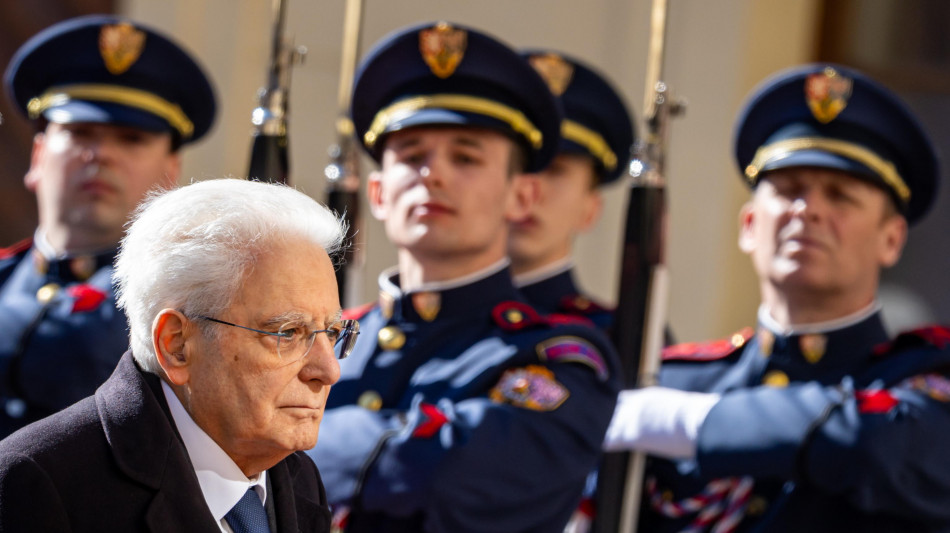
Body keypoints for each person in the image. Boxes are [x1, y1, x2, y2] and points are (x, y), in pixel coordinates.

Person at [603, 63, 950, 532]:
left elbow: (883, 447)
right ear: (749, 226)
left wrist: (699, 423)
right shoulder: (676, 380)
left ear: (892, 239)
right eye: (789, 190)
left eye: (840, 196)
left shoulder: (922, 381)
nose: (807, 210)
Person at [306, 21, 621, 532]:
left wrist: (295, 443)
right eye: (413, 156)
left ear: (522, 197)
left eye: (466, 157)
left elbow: (459, 470)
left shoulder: (560, 355)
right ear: (379, 194)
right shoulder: (324, 338)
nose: (433, 173)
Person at [0, 178, 357, 532]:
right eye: (288, 333)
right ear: (177, 345)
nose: (328, 370)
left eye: (331, 332)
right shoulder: (36, 486)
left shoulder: (298, 478)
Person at [0, 15, 216, 437]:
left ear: (172, 171)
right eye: (80, 132)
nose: (101, 154)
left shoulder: (189, 304)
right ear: (38, 156)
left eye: (131, 138)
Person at [509, 49, 635, 330]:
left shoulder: (616, 337)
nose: (531, 190)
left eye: (555, 170)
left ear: (591, 209)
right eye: (520, 164)